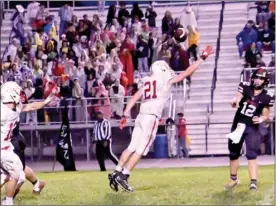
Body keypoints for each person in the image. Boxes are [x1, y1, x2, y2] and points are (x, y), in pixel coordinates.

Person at [108, 45, 213, 192]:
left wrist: (125, 114)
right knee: (140, 150)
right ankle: (124, 175)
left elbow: (134, 98)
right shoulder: (165, 79)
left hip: (140, 116)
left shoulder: (146, 82)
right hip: (151, 117)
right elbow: (186, 73)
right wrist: (201, 58)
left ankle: (116, 171)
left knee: (131, 147)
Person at [1, 81, 57, 205]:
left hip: (8, 147)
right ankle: (8, 201)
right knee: (15, 174)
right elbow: (29, 106)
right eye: (16, 91)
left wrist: (47, 100)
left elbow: (31, 106)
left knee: (16, 174)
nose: (19, 94)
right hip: (5, 148)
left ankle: (8, 201)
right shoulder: (7, 110)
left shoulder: (14, 107)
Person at [225, 68, 275, 191]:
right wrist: (235, 101)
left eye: (261, 78)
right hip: (238, 125)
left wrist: (262, 119)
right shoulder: (245, 87)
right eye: (256, 77)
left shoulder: (267, 96)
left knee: (252, 154)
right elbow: (238, 96)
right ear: (252, 78)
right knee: (233, 154)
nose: (258, 80)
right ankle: (233, 179)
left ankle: (253, 182)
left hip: (252, 128)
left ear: (265, 81)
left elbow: (266, 114)